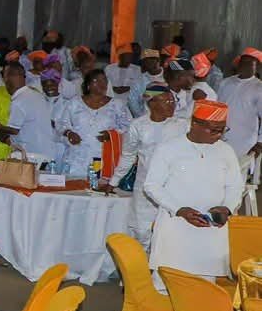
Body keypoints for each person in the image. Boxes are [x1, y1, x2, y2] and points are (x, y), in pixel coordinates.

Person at [144, 100, 245, 292]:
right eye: (214, 129)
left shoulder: (226, 151)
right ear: (195, 124)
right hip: (175, 229)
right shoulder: (169, 148)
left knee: (205, 291)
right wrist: (179, 210)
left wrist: (227, 208)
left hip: (211, 231)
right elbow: (152, 185)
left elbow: (235, 186)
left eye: (223, 129)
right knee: (166, 289)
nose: (219, 135)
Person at [107, 84, 188, 246]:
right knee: (141, 232)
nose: (172, 104)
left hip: (172, 187)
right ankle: (140, 269)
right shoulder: (138, 126)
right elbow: (128, 156)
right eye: (166, 101)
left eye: (173, 101)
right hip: (144, 187)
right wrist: (113, 182)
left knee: (168, 233)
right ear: (151, 103)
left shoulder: (182, 125)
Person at [56, 68, 131, 178]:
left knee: (98, 189)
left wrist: (112, 134)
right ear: (88, 85)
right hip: (77, 156)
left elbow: (128, 127)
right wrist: (69, 133)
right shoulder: (75, 103)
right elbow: (61, 123)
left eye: (104, 80)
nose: (102, 83)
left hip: (104, 156)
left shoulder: (117, 105)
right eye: (97, 80)